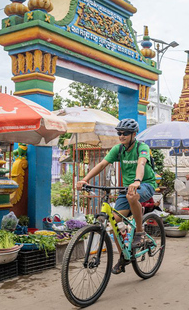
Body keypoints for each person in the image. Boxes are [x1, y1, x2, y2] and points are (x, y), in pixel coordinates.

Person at [76, 118, 156, 275]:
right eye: (119, 133)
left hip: (145, 184)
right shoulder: (118, 149)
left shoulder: (142, 147)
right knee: (113, 223)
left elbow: (141, 163)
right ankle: (123, 257)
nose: (121, 136)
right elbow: (102, 165)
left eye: (125, 133)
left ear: (134, 134)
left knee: (132, 196)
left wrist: (137, 181)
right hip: (126, 188)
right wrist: (85, 179)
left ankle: (139, 231)